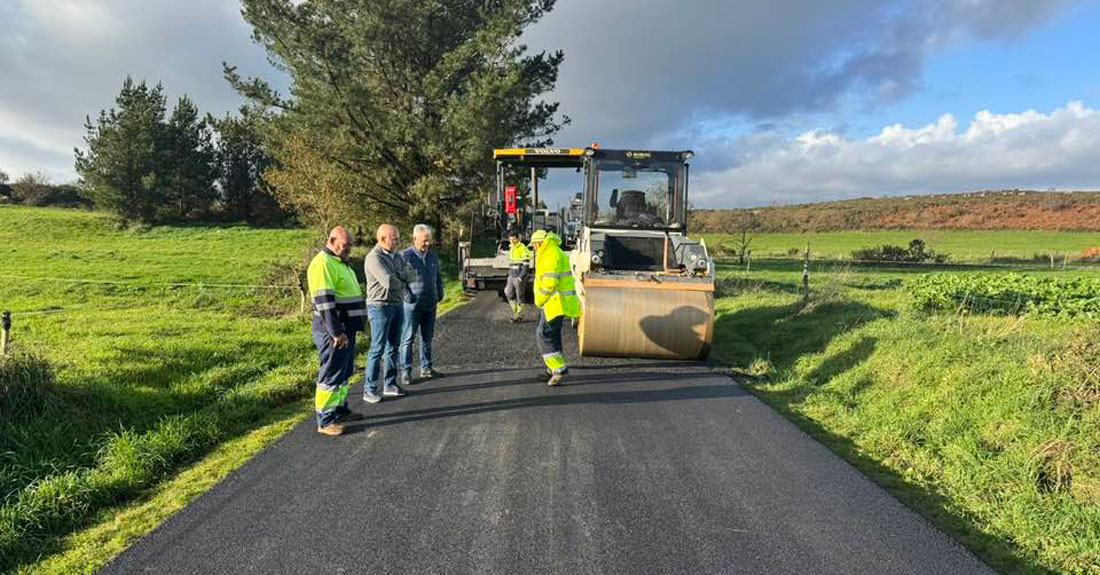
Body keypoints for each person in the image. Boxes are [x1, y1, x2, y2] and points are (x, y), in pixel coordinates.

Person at [307, 226, 367, 436]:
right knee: (331, 374)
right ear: (331, 241)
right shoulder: (323, 264)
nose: (348, 249)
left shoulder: (339, 262)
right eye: (345, 245)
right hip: (333, 332)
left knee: (343, 373)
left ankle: (339, 410)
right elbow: (325, 303)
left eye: (350, 245)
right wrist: (336, 332)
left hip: (345, 330)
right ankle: (325, 420)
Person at [363, 223, 412, 403]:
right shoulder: (373, 258)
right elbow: (388, 282)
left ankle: (390, 384)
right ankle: (369, 388)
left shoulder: (397, 256)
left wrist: (399, 275)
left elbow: (412, 275)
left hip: (397, 304)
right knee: (377, 348)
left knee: (393, 347)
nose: (398, 242)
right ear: (383, 239)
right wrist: (401, 276)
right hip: (379, 306)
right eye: (395, 239)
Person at [530, 229, 581, 386]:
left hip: (554, 302)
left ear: (539, 242)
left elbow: (550, 282)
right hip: (557, 302)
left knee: (543, 334)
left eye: (534, 245)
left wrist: (540, 299)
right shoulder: (553, 250)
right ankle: (553, 369)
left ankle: (557, 369)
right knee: (553, 334)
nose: (533, 248)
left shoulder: (550, 253)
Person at [399, 224, 444, 385]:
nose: (427, 244)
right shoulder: (405, 257)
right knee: (408, 339)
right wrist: (408, 297)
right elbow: (399, 281)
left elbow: (437, 276)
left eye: (429, 241)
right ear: (415, 238)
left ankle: (426, 368)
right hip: (412, 307)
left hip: (430, 304)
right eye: (424, 241)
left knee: (427, 338)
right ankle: (406, 372)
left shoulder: (432, 256)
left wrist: (440, 292)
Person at [504, 229, 532, 322]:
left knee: (520, 296)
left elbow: (526, 264)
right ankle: (516, 311)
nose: (512, 241)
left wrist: (521, 276)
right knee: (508, 292)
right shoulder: (511, 247)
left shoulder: (522, 248)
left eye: (514, 239)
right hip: (511, 275)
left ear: (518, 239)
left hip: (518, 276)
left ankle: (518, 315)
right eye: (510, 239)